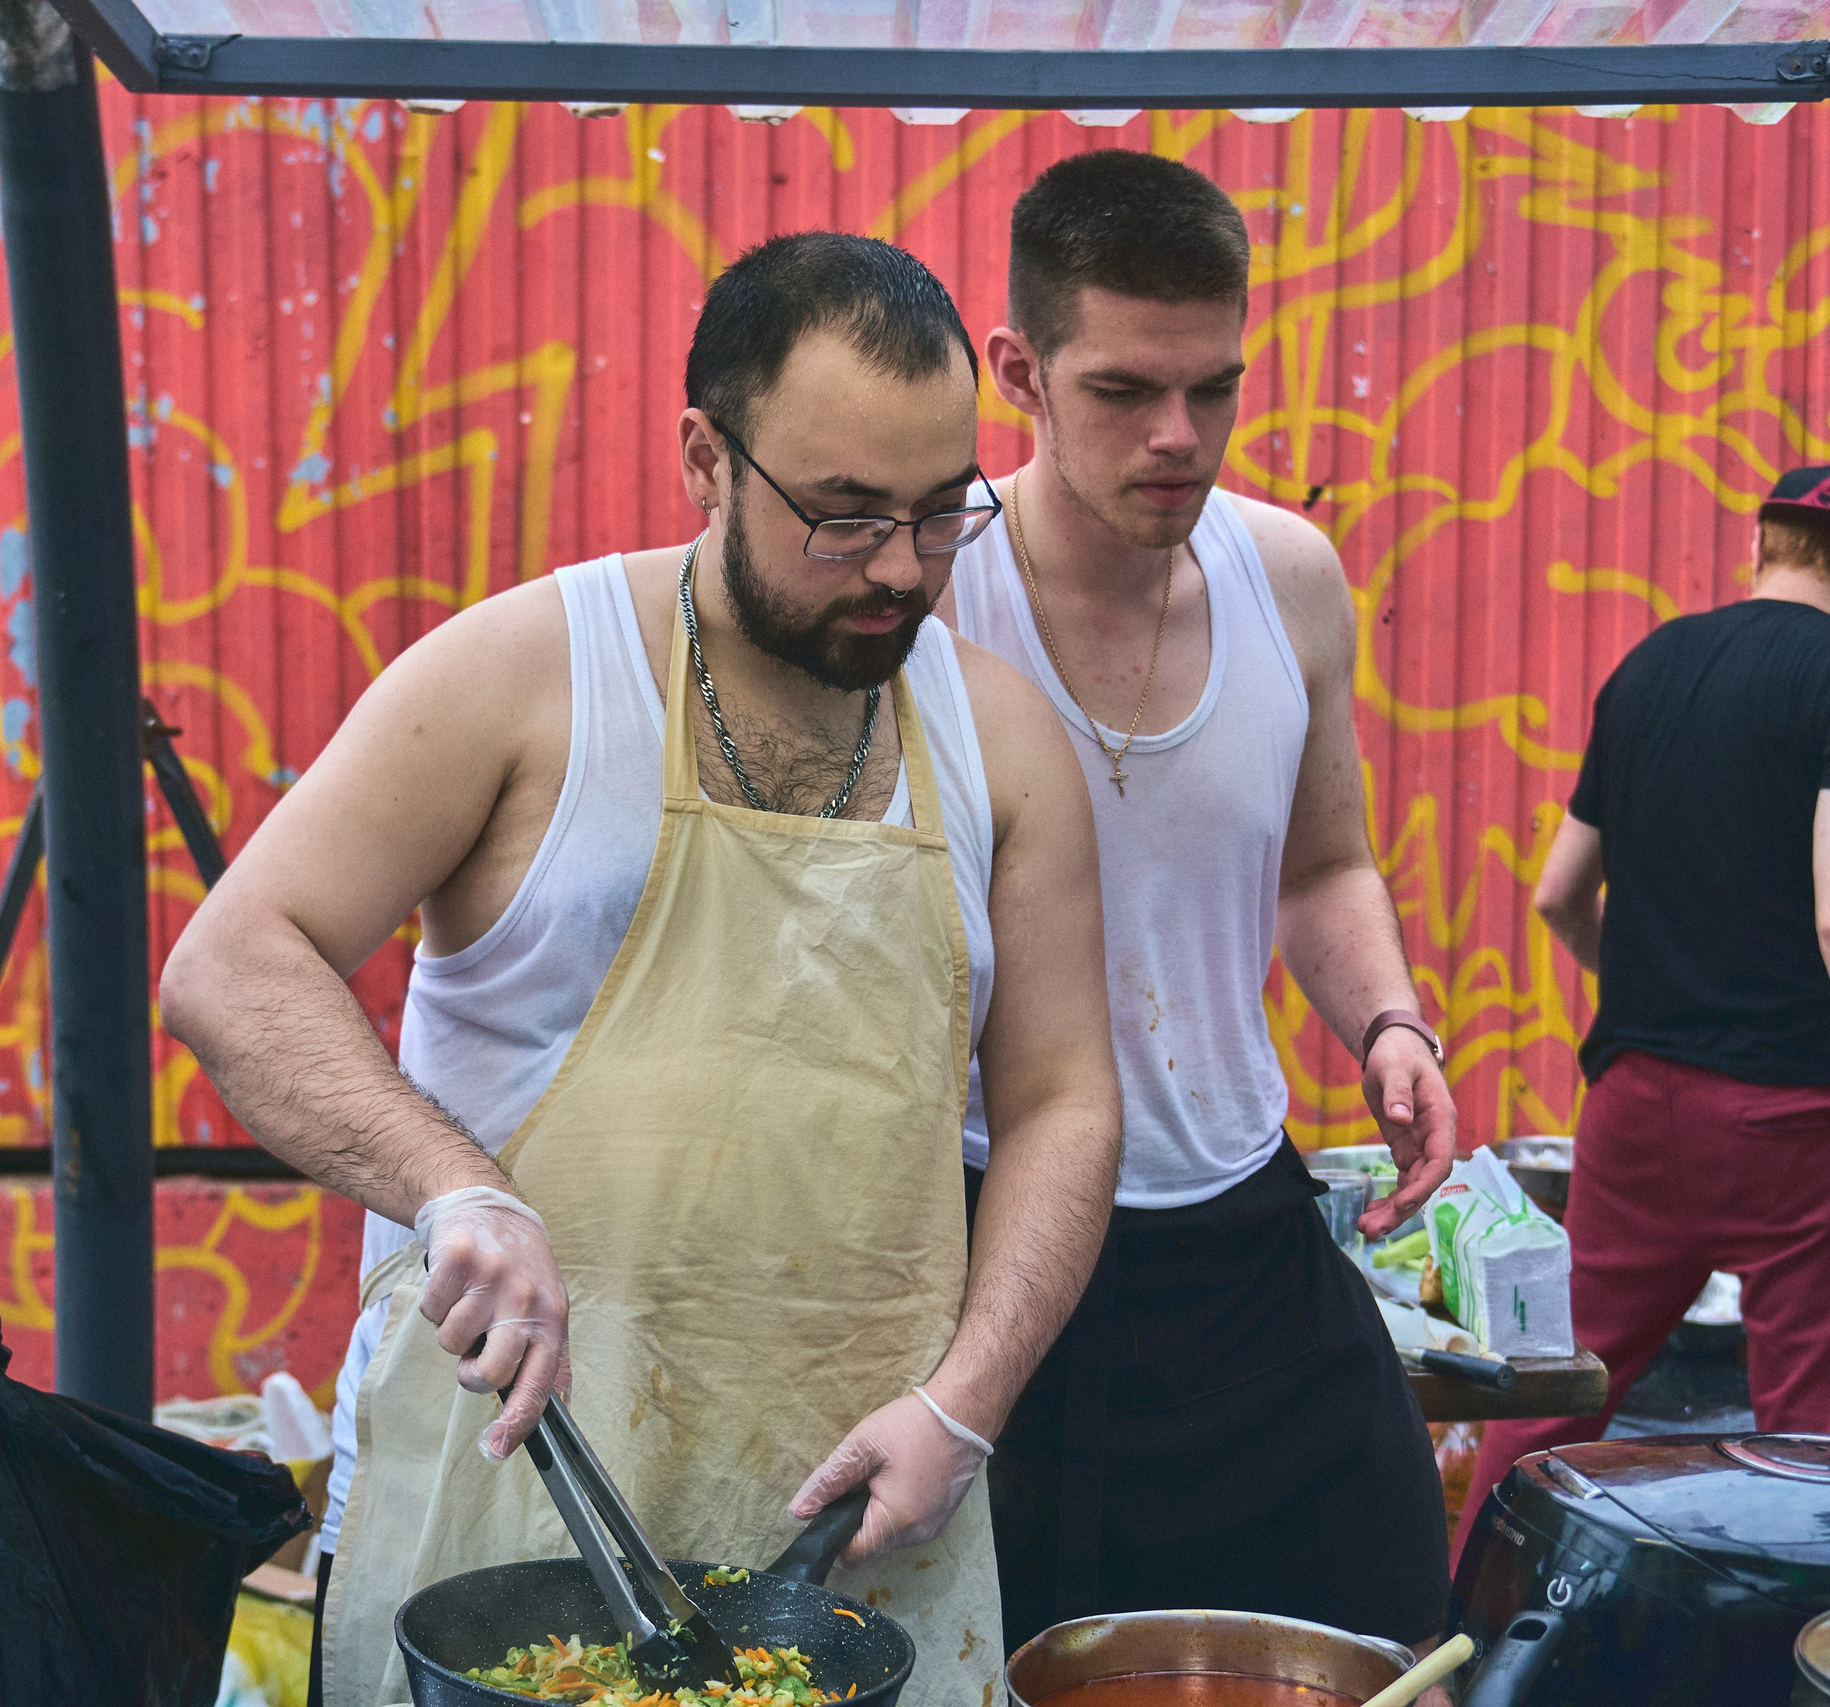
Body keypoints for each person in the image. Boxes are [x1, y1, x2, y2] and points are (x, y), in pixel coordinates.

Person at [159, 231, 1125, 1707]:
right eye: (844, 514)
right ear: (705, 457)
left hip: (869, 1528)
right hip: (511, 1521)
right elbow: (232, 964)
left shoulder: (1000, 739)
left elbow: (1064, 1098)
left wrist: (969, 1403)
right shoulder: (524, 677)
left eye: (942, 515)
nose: (897, 568)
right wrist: (450, 1183)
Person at [941, 149, 1459, 1659]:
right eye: (1122, 392)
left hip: (1240, 1215)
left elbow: (1322, 864)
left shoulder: (1287, 572)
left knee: (1382, 1634)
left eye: (1214, 388)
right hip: (983, 1224)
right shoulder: (924, 587)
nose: (1180, 437)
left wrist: (1388, 1017)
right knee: (1031, 1657)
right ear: (1018, 372)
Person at [1459, 463, 1830, 1558]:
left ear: (1757, 546)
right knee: (1812, 1441)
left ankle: (1456, 1621)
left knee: (1558, 1392)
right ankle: (1777, 1657)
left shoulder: (1649, 666)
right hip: (1791, 1118)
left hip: (1635, 1107)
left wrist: (1658, 989)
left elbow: (1557, 894)